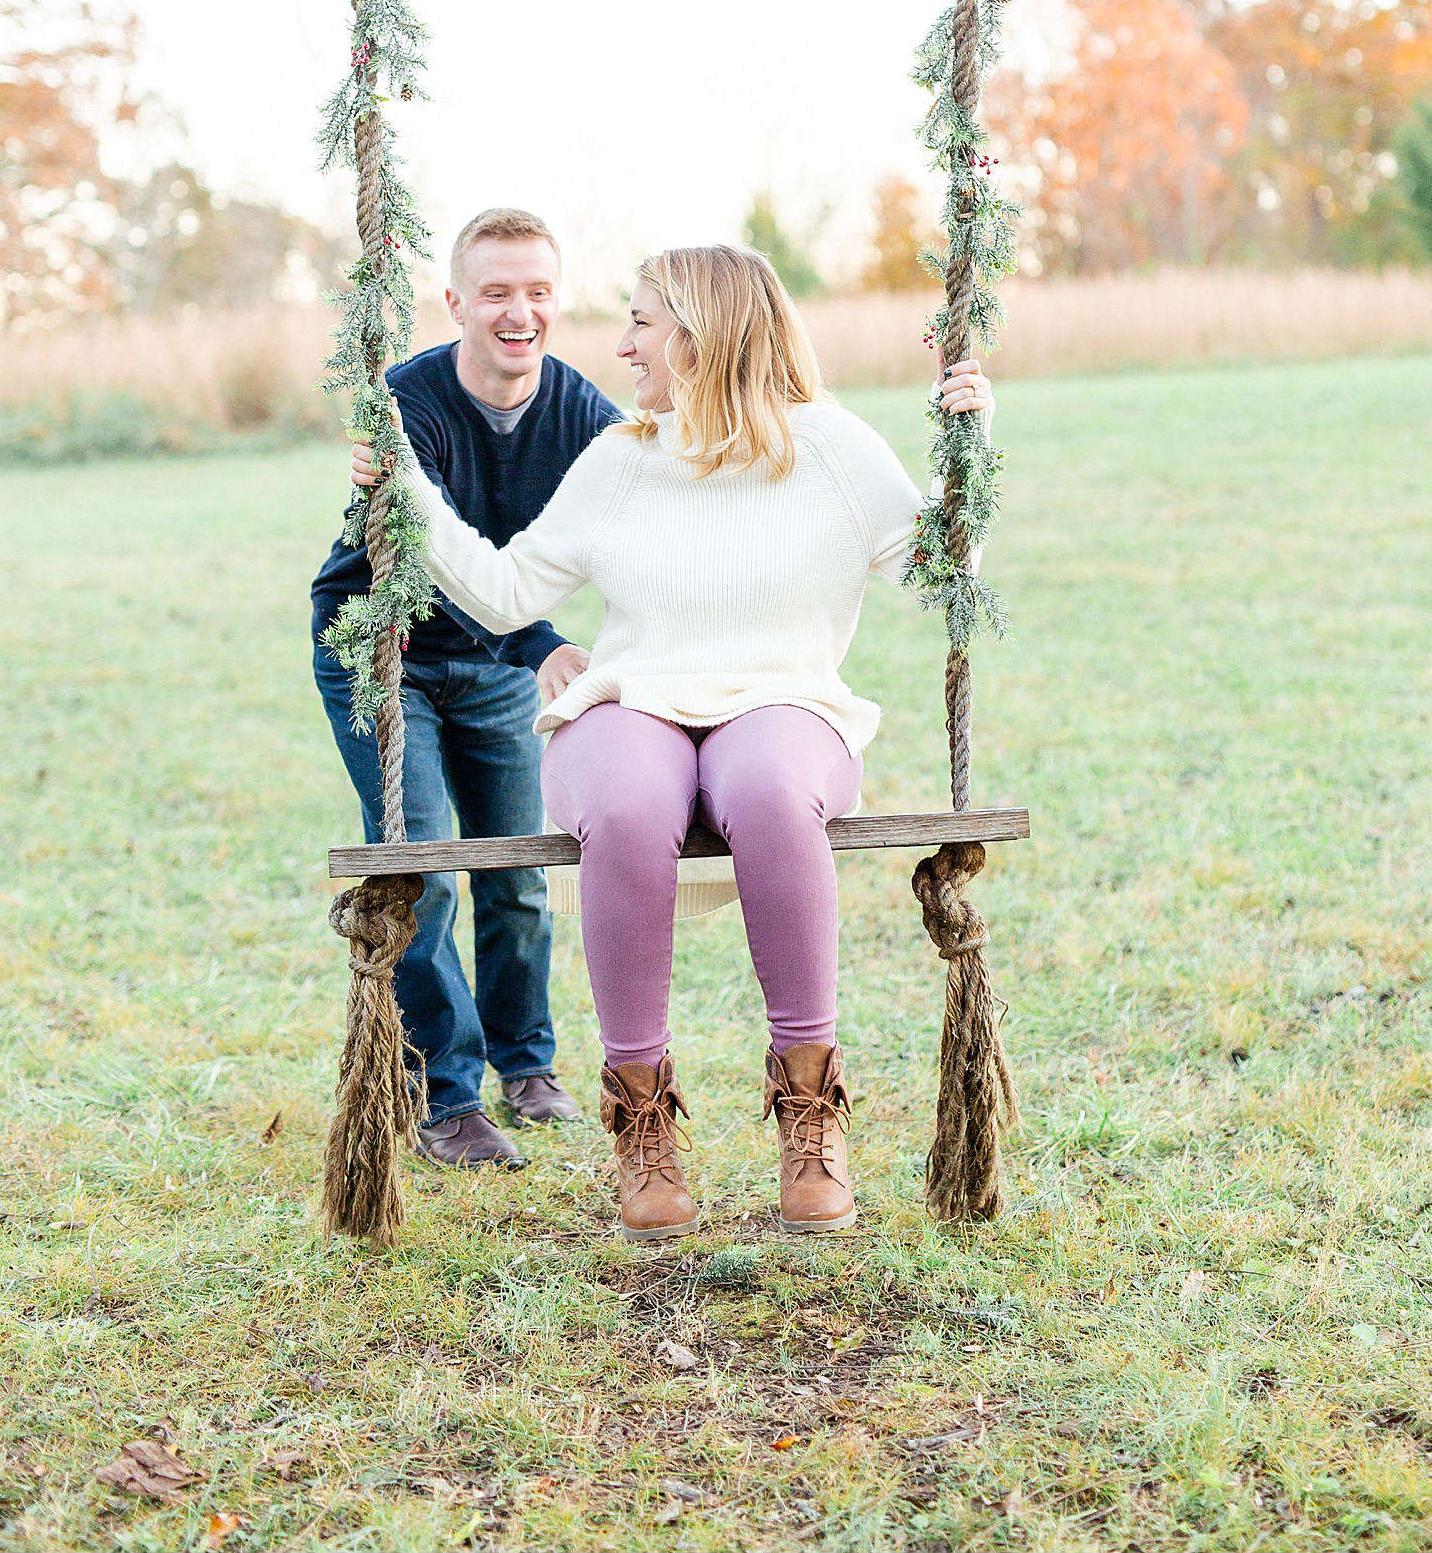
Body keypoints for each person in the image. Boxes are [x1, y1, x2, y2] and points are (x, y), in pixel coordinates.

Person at [351, 242, 993, 1238]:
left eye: (642, 321)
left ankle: (809, 1109)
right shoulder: (622, 458)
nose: (622, 344)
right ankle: (642, 1119)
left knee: (776, 786)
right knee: (630, 801)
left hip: (784, 701)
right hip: (632, 703)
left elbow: (943, 569)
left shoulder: (832, 447)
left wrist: (972, 439)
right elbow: (513, 589)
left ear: (701, 331)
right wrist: (409, 490)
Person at [313, 206, 622, 1168]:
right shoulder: (406, 405)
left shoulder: (584, 413)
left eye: (536, 291)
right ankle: (447, 1097)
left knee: (521, 875)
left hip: (493, 669)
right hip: (386, 650)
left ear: (556, 301)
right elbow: (440, 554)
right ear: (455, 302)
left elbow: (659, 500)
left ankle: (528, 1068)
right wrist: (542, 644)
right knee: (430, 875)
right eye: (495, 292)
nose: (517, 311)